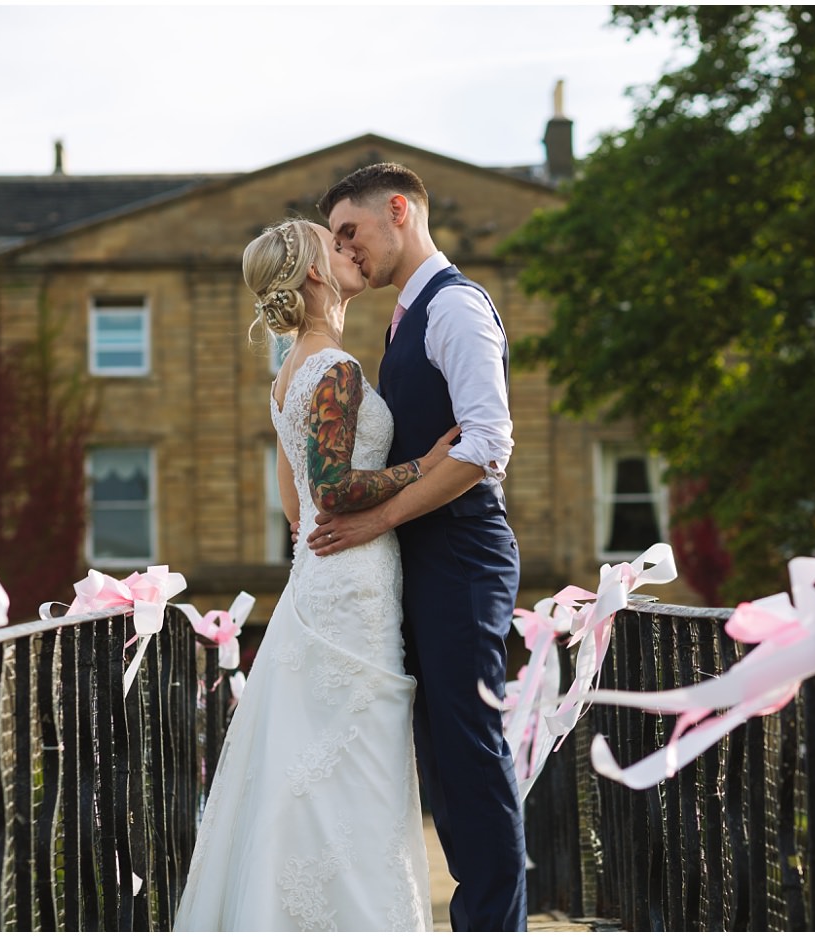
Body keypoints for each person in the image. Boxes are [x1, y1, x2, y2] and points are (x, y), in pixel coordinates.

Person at [173, 217, 457, 931]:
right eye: (335, 245)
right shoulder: (334, 368)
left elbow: (292, 503)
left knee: (316, 769)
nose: (349, 249)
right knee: (354, 769)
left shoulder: (287, 374)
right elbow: (329, 492)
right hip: (350, 593)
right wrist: (424, 466)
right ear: (314, 274)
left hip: (321, 582)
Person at [307, 163, 527, 932]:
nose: (345, 250)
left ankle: (495, 923)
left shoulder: (456, 306)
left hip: (465, 552)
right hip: (427, 555)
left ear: (398, 210)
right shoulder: (404, 317)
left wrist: (375, 520)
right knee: (440, 753)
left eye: (349, 231)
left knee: (468, 746)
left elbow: (488, 444)